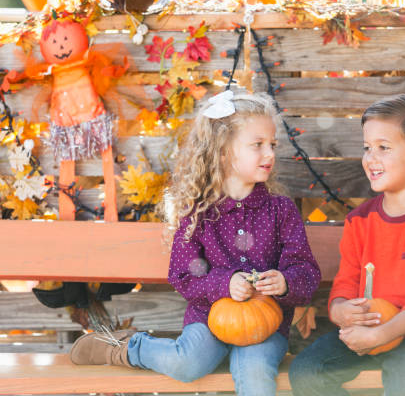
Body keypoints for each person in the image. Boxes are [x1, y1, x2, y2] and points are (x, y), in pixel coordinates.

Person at [70, 91, 321, 396]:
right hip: (208, 319)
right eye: (257, 145)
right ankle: (123, 347)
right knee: (187, 363)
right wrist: (226, 284)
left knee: (255, 372)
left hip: (265, 325)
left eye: (272, 145)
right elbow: (183, 275)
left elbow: (305, 270)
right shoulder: (198, 214)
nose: (269, 154)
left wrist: (284, 282)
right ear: (223, 151)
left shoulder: (281, 210)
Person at [289, 95, 405, 396]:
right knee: (308, 372)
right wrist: (340, 311)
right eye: (367, 148)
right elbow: (346, 282)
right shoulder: (360, 220)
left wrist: (382, 335)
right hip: (370, 328)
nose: (371, 158)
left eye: (383, 148)